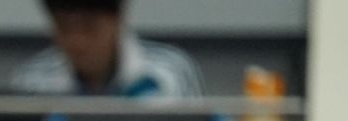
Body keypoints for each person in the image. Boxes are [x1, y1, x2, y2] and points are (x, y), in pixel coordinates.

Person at [11, 0, 204, 99]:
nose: (77, 41)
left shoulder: (170, 74)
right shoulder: (33, 82)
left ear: (118, 19)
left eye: (89, 27)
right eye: (64, 27)